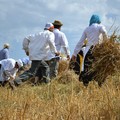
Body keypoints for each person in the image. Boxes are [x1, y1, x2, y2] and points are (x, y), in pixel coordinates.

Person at [9, 23, 59, 89]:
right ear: (51, 28)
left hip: (33, 55)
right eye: (52, 28)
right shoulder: (50, 34)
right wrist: (55, 52)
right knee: (32, 72)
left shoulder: (37, 34)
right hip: (39, 55)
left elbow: (26, 38)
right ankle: (15, 81)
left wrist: (26, 50)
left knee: (45, 67)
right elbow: (50, 41)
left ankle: (46, 84)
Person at [71, 14, 108, 86]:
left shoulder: (87, 29)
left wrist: (75, 54)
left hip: (88, 51)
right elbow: (104, 32)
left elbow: (80, 42)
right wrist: (106, 42)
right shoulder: (100, 26)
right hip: (98, 50)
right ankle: (100, 85)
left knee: (87, 68)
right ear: (98, 20)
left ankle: (85, 85)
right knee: (99, 68)